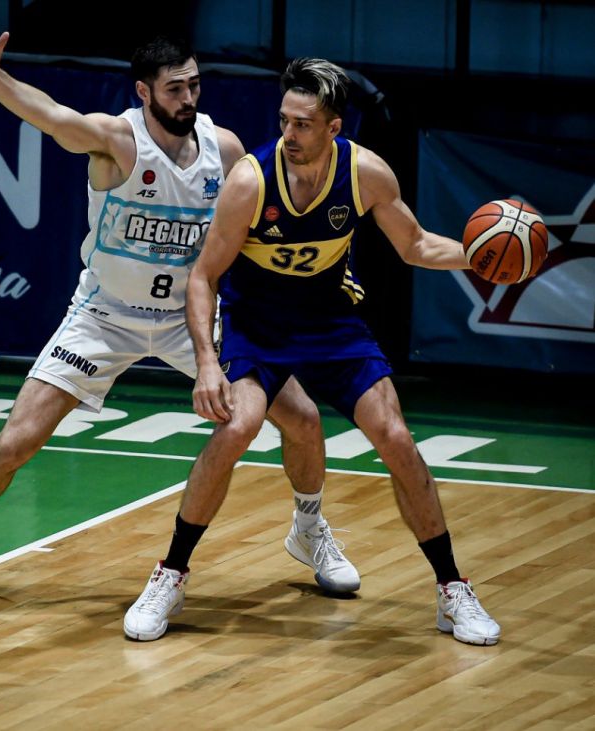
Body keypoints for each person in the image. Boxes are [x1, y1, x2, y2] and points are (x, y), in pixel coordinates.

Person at [0, 23, 359, 621]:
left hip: (191, 319)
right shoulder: (116, 140)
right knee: (16, 441)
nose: (188, 99)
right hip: (105, 315)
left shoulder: (225, 150)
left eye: (194, 85)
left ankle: (309, 529)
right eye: (175, 89)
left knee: (304, 418)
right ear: (144, 91)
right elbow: (50, 116)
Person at [125, 57, 500, 646]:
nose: (289, 134)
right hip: (258, 327)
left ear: (334, 127)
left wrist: (478, 259)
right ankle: (170, 573)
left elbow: (416, 245)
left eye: (303, 124)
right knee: (236, 428)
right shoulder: (251, 180)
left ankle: (453, 589)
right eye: (284, 121)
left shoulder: (365, 173)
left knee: (396, 438)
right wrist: (205, 363)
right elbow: (203, 276)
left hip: (330, 323)